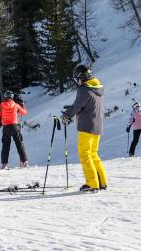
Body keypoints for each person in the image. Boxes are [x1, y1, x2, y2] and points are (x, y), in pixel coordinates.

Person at [61, 64, 107, 192]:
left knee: (85, 154)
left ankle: (92, 183)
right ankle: (101, 182)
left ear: (82, 77)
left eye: (77, 79)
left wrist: (66, 115)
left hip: (86, 127)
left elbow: (78, 105)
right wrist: (71, 108)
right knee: (93, 154)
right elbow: (85, 104)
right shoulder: (97, 88)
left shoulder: (84, 89)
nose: (77, 82)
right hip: (97, 126)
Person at [0, 90, 28, 169]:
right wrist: (23, 105)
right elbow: (24, 113)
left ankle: (4, 164)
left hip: (6, 127)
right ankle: (24, 162)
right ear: (12, 97)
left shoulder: (1, 106)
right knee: (19, 144)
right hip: (15, 126)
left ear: (5, 97)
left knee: (5, 146)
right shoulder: (16, 105)